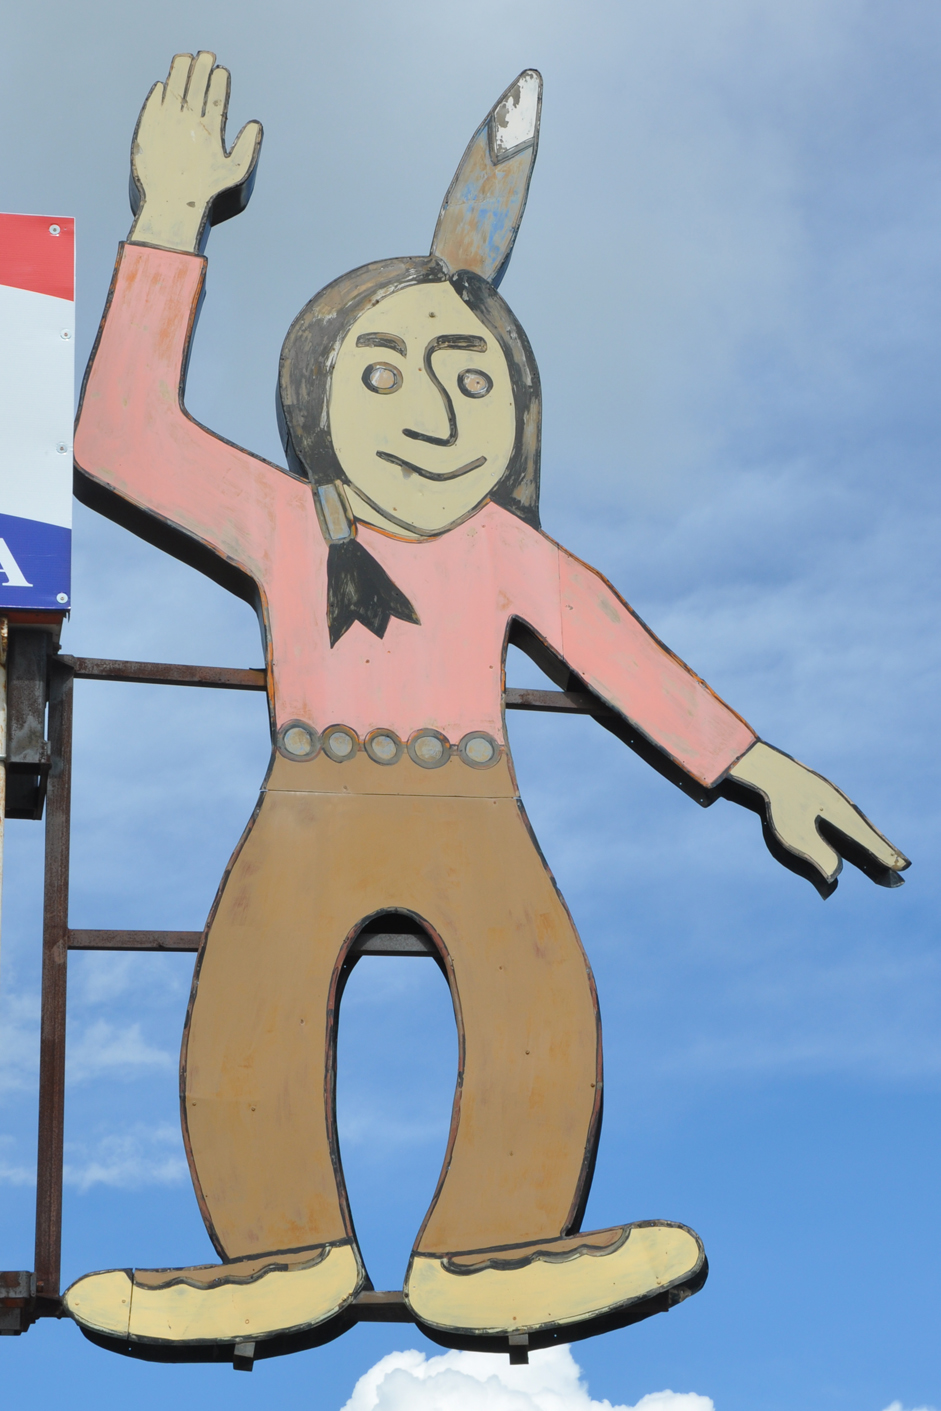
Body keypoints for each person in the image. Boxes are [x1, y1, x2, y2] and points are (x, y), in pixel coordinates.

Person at [64, 54, 908, 1362]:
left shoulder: (508, 554)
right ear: (317, 395)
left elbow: (621, 656)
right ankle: (283, 1251)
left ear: (517, 414)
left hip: (478, 812)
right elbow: (122, 440)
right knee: (255, 991)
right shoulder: (278, 521)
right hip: (309, 803)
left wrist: (759, 771)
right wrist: (171, 220)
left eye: (469, 379)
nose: (431, 410)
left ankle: (495, 1244)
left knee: (537, 995)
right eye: (383, 373)